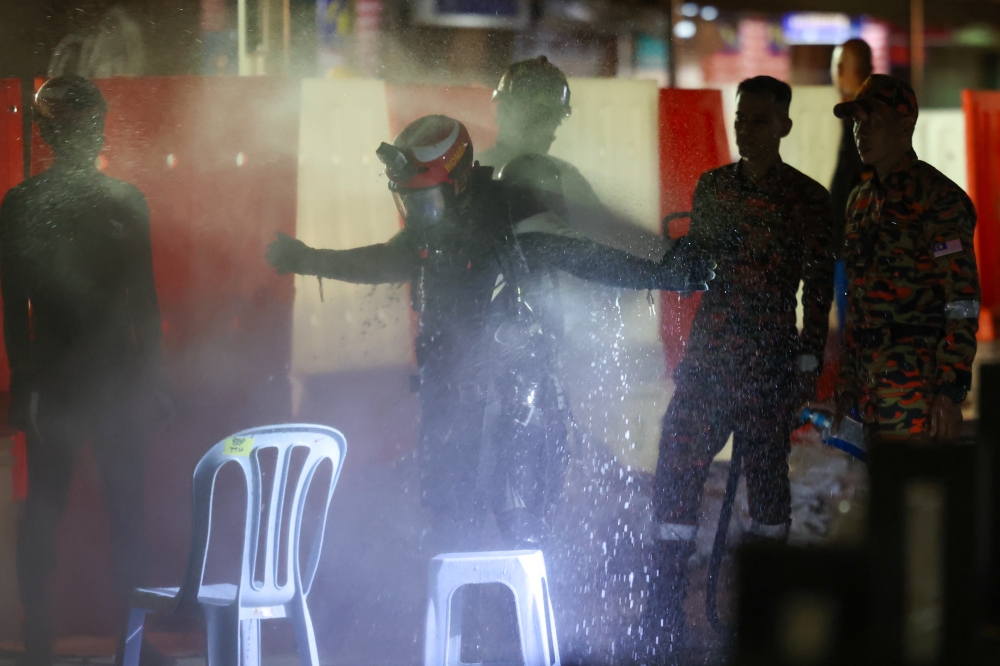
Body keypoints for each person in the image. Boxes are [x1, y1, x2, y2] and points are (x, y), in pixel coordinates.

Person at [265, 115, 714, 549]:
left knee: (517, 529)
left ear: (459, 178)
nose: (419, 213)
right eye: (410, 200)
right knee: (449, 521)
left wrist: (664, 272)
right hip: (449, 398)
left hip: (519, 407)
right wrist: (308, 259)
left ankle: (514, 620)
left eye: (427, 200)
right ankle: (459, 621)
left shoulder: (508, 213)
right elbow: (382, 261)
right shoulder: (428, 229)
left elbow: (585, 257)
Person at [642, 76, 836, 656]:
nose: (745, 127)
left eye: (757, 118)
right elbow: (697, 268)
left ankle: (766, 612)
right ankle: (664, 607)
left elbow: (819, 290)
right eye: (740, 117)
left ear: (784, 126)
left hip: (767, 368)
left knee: (767, 490)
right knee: (676, 468)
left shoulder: (807, 200)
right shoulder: (715, 189)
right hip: (708, 362)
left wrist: (805, 364)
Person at [0, 76, 166, 666]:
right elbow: (142, 303)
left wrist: (26, 384)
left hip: (73, 381)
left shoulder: (23, 204)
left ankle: (60, 644)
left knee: (59, 513)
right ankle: (123, 646)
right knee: (110, 514)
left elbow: (17, 313)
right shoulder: (119, 200)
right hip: (87, 381)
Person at [828, 75, 979, 443]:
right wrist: (846, 383)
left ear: (905, 124)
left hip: (917, 388)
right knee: (872, 494)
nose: (862, 132)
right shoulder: (860, 201)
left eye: (874, 122)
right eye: (858, 123)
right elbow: (857, 300)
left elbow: (961, 300)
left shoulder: (937, 198)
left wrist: (950, 388)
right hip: (867, 388)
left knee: (909, 493)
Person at [830, 39, 874, 331]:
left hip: (855, 250)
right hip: (852, 247)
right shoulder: (858, 115)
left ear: (843, 69)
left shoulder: (862, 118)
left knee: (855, 332)